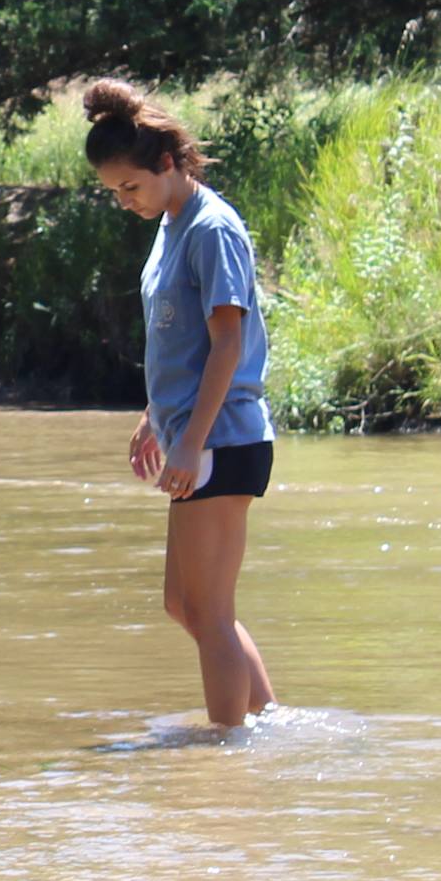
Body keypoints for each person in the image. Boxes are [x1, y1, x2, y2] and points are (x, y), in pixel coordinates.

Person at [84, 79, 279, 727]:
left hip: (223, 439)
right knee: (184, 605)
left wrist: (191, 442)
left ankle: (229, 757)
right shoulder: (169, 222)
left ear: (166, 164)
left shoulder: (211, 229)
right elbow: (180, 339)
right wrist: (154, 416)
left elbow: (227, 344)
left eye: (129, 187)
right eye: (113, 192)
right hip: (198, 436)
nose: (122, 201)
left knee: (209, 611)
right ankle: (266, 722)